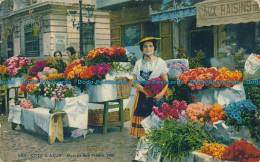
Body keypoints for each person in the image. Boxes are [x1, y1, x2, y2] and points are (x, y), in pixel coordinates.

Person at [129, 37, 169, 138]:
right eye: (145, 46)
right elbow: (134, 81)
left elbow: (166, 81)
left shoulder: (160, 62)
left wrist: (161, 94)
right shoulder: (138, 63)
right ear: (142, 49)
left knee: (157, 120)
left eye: (150, 46)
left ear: (154, 48)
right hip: (142, 96)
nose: (148, 48)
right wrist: (145, 91)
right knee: (143, 122)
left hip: (157, 96)